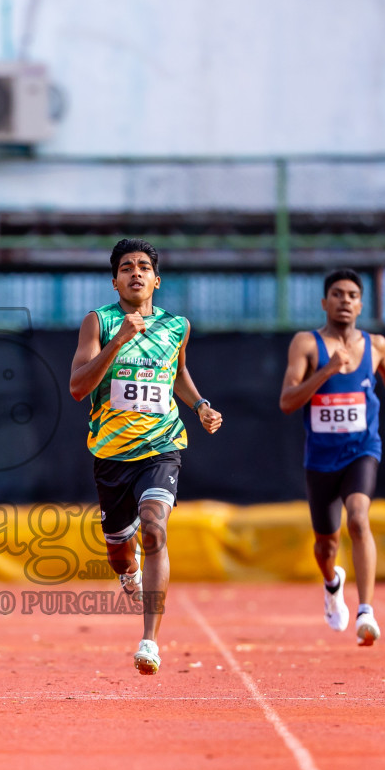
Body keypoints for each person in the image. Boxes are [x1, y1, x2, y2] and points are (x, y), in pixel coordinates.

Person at [69, 238, 223, 675]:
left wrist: (200, 405)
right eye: (125, 267)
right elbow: (79, 387)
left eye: (143, 266)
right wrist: (117, 340)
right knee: (120, 549)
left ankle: (149, 640)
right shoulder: (97, 322)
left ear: (156, 279)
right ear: (114, 279)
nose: (135, 272)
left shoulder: (177, 327)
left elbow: (178, 374)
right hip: (111, 453)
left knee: (154, 528)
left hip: (162, 445)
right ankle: (126, 570)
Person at [279, 269, 385, 646]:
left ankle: (366, 611)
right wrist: (327, 370)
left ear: (361, 304)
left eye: (352, 295)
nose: (345, 300)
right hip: (320, 458)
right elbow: (287, 401)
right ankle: (333, 583)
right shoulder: (307, 345)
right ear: (324, 303)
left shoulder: (376, 345)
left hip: (362, 449)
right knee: (326, 546)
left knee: (359, 520)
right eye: (337, 294)